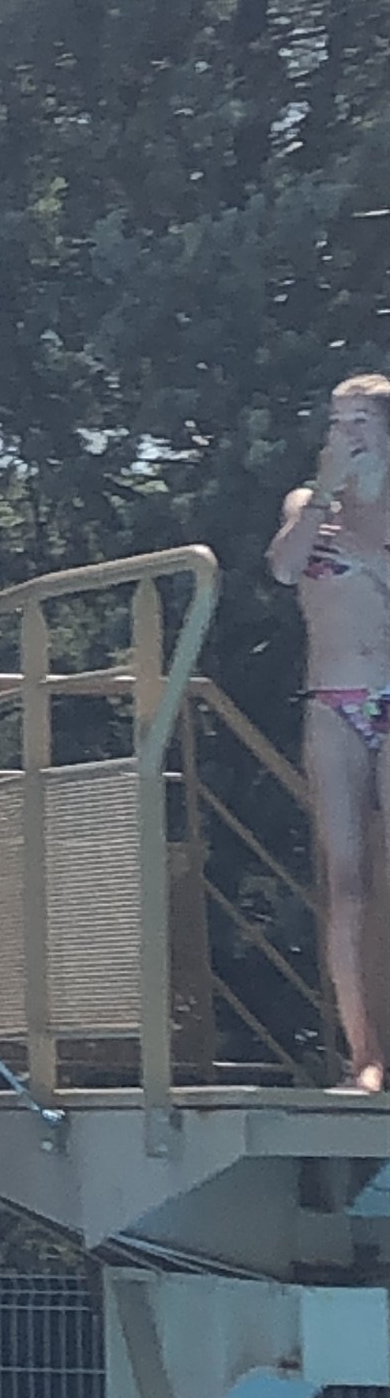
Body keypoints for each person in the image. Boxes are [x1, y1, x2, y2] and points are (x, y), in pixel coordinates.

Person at [267, 372, 390, 1093]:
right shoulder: (310, 504)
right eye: (338, 423)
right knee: (346, 886)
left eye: (361, 422)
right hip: (332, 702)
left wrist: (368, 556)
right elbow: (285, 568)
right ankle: (365, 1055)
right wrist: (323, 489)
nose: (348, 435)